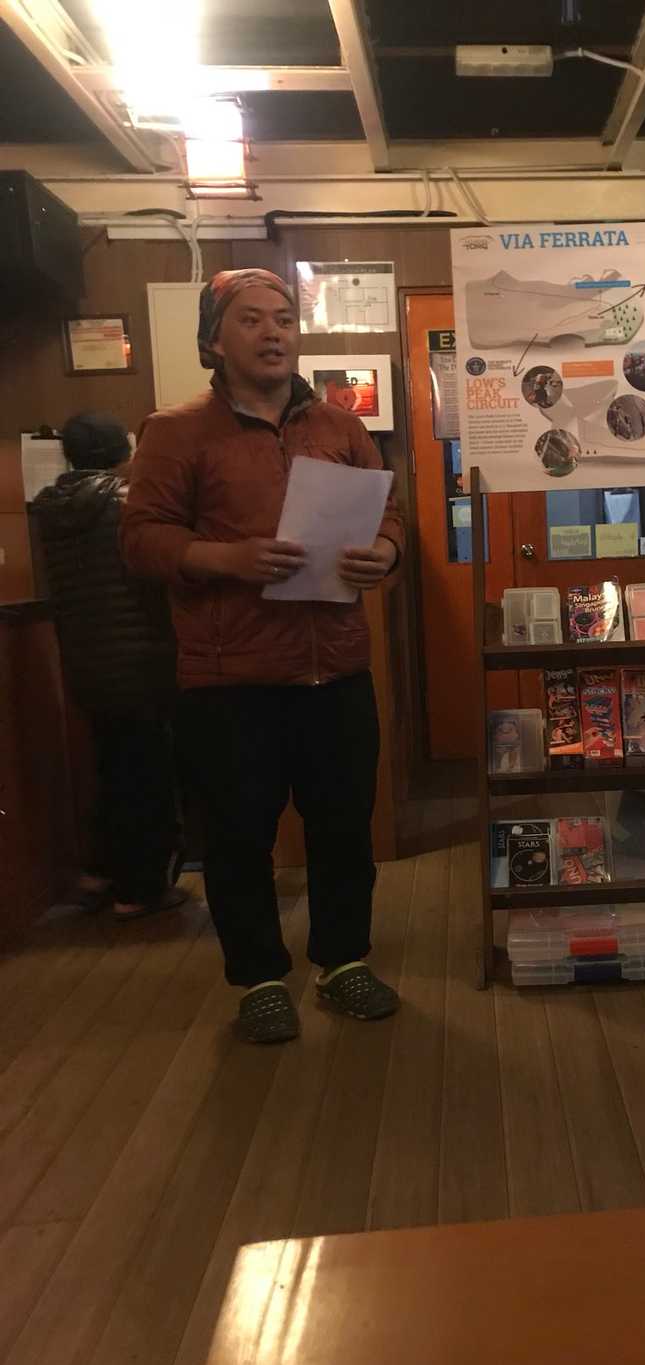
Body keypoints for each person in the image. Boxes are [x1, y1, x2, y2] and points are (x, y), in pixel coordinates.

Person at [122, 269, 405, 1044]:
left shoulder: (340, 427)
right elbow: (140, 539)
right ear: (214, 339)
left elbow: (391, 514)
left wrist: (385, 551)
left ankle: (343, 962)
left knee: (344, 830)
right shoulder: (175, 431)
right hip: (229, 679)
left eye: (283, 318)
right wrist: (229, 558)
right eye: (251, 320)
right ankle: (259, 980)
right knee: (239, 840)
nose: (274, 332)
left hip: (337, 668)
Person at [29, 413, 185, 919]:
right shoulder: (126, 503)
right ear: (125, 451)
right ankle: (139, 889)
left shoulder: (50, 509)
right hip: (140, 660)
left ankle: (100, 872)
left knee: (111, 767)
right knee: (147, 775)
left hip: (85, 661)